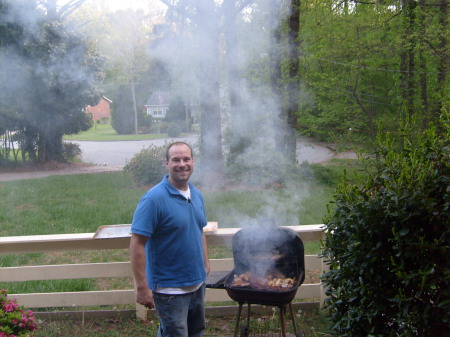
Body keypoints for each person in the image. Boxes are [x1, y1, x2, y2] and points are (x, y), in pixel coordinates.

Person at [129, 141, 210, 337]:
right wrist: (142, 287)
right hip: (170, 289)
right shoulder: (154, 199)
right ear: (167, 163)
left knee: (196, 331)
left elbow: (199, 230)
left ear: (193, 162)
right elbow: (137, 243)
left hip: (197, 283)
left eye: (186, 159)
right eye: (176, 160)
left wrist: (205, 265)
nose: (182, 164)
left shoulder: (196, 194)